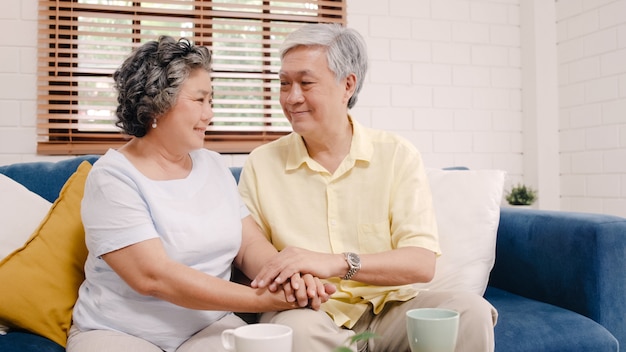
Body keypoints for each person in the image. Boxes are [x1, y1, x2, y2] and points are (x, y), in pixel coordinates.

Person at [238, 24, 498, 352]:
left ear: (347, 84)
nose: (292, 97)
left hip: (391, 308)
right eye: (284, 84)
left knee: (469, 312)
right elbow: (250, 247)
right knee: (296, 333)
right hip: (311, 311)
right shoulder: (262, 163)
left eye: (305, 83)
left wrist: (336, 262)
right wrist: (290, 276)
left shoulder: (396, 155)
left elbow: (420, 262)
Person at [67, 35, 333, 352]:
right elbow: (153, 277)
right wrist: (262, 298)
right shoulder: (113, 178)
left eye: (211, 101)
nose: (209, 114)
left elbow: (249, 247)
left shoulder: (214, 166)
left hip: (208, 327)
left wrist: (288, 279)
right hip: (120, 332)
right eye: (200, 100)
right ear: (157, 103)